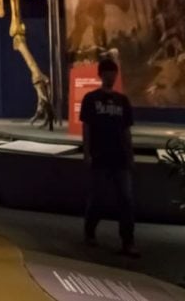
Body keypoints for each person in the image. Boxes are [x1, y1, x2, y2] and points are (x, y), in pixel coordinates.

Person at [80, 53, 137, 257]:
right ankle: (90, 233)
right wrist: (87, 153)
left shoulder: (122, 101)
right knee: (97, 198)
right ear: (101, 75)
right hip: (100, 155)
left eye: (113, 73)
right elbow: (86, 127)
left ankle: (128, 241)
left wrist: (130, 156)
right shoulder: (90, 99)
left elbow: (126, 130)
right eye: (107, 73)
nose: (110, 77)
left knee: (126, 200)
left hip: (119, 157)